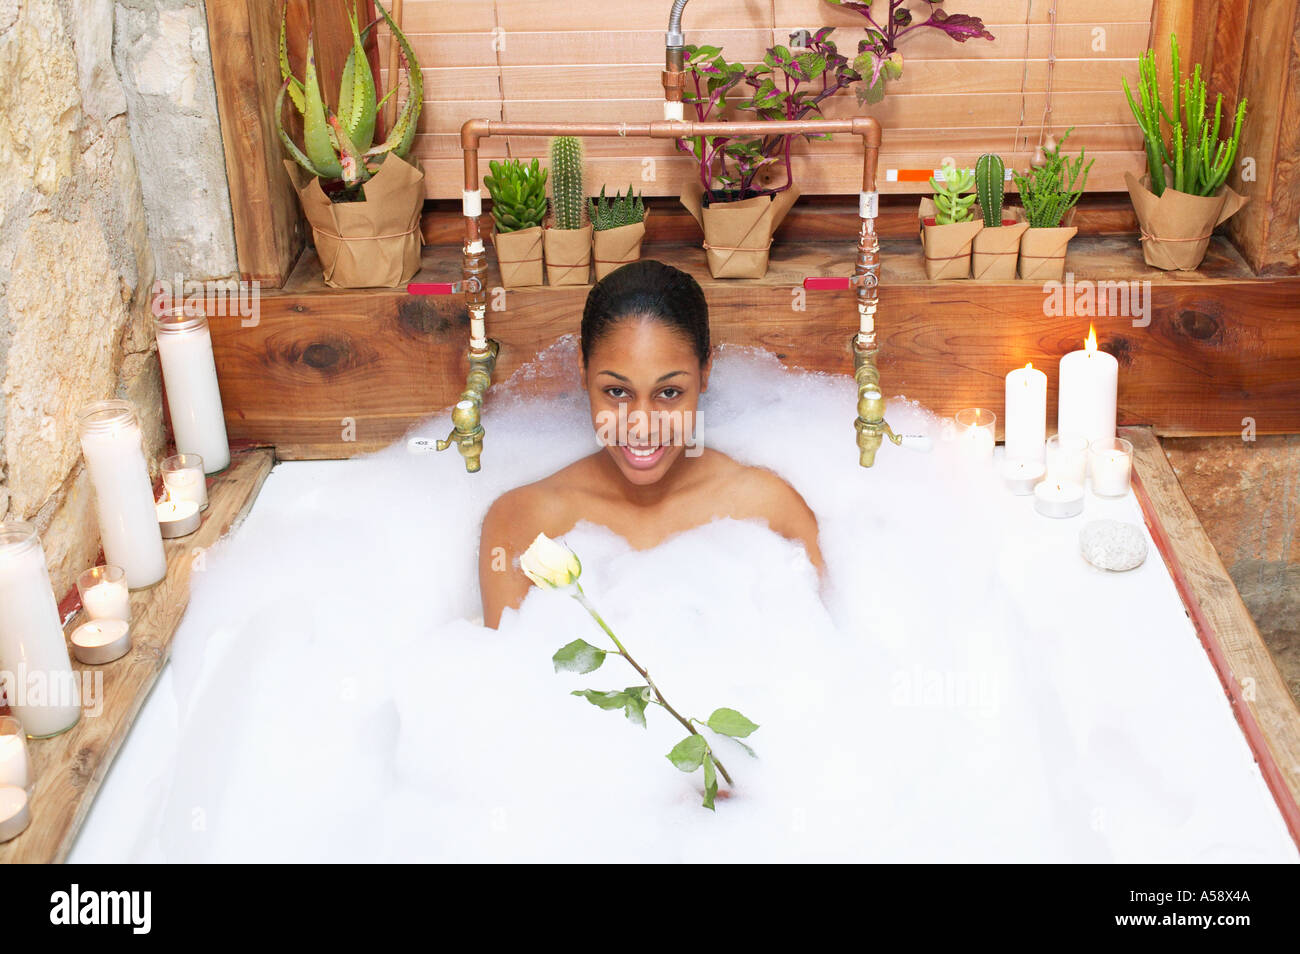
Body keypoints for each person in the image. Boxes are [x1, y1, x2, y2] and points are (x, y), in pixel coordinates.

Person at [479, 260, 823, 628]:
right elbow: (508, 677)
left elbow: (817, 665)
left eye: (669, 392)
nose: (642, 427)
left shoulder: (769, 510)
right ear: (583, 369)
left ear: (705, 371)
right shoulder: (524, 522)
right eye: (617, 392)